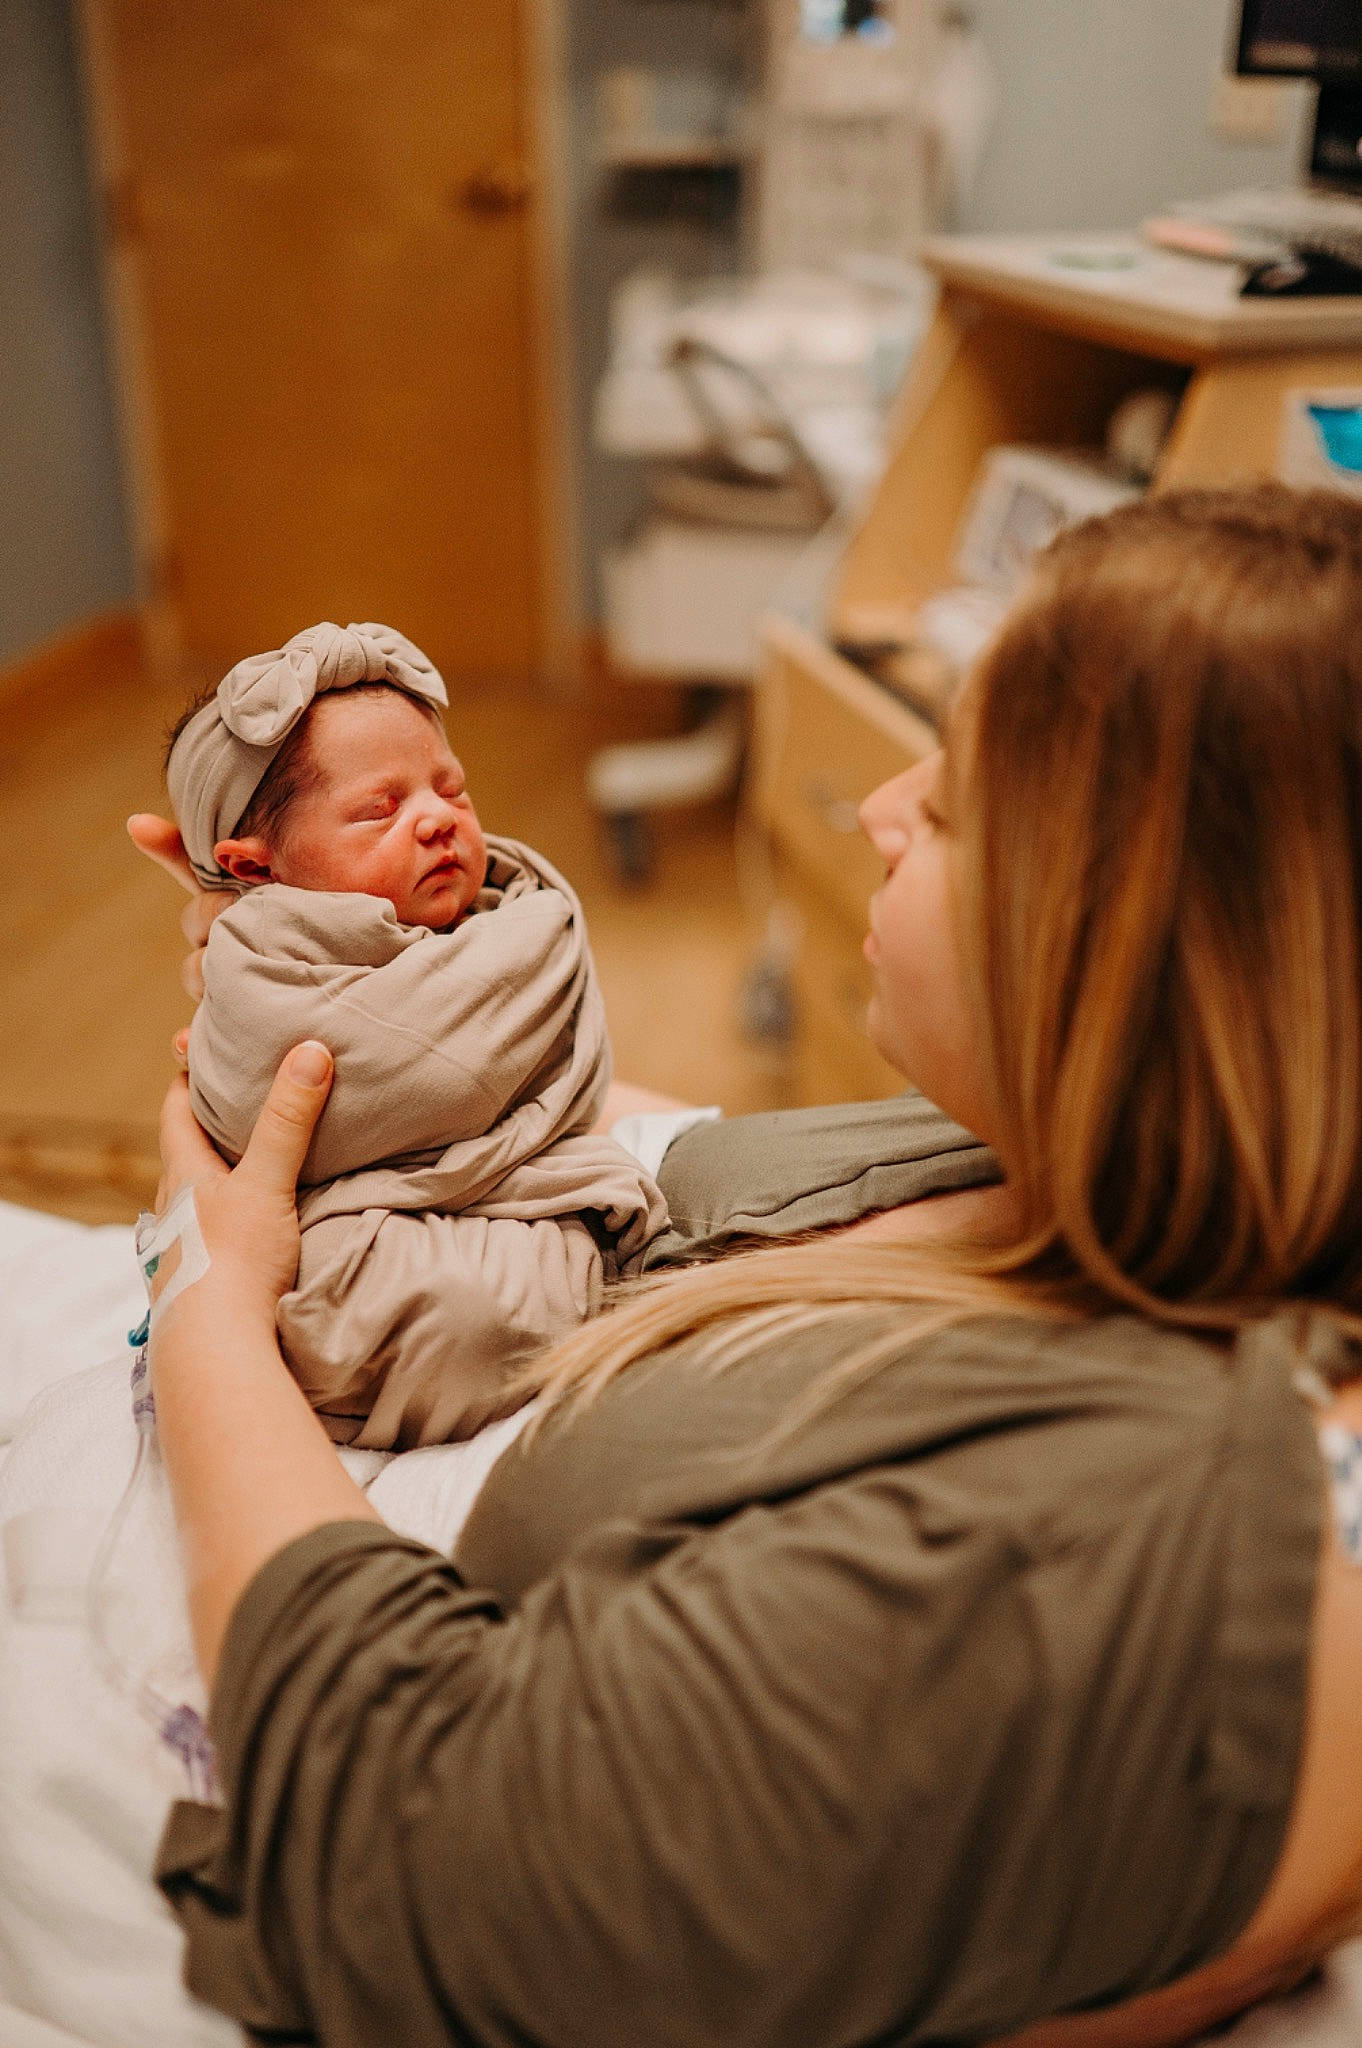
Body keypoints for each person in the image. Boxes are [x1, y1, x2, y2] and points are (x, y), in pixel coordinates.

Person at [132, 486, 1362, 2048]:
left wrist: (215, 1291)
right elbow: (647, 1152)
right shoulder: (1115, 1165)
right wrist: (353, 1002)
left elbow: (408, 1825)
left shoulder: (1072, 1549)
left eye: (967, 799)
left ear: (1159, 944)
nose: (881, 807)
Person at [159, 619, 665, 1448]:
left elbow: (567, 1055)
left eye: (451, 788)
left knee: (524, 1278)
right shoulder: (258, 961)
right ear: (254, 869)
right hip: (346, 1220)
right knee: (444, 1314)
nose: (439, 820)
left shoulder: (516, 918)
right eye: (379, 809)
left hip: (491, 1189)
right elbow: (277, 1096)